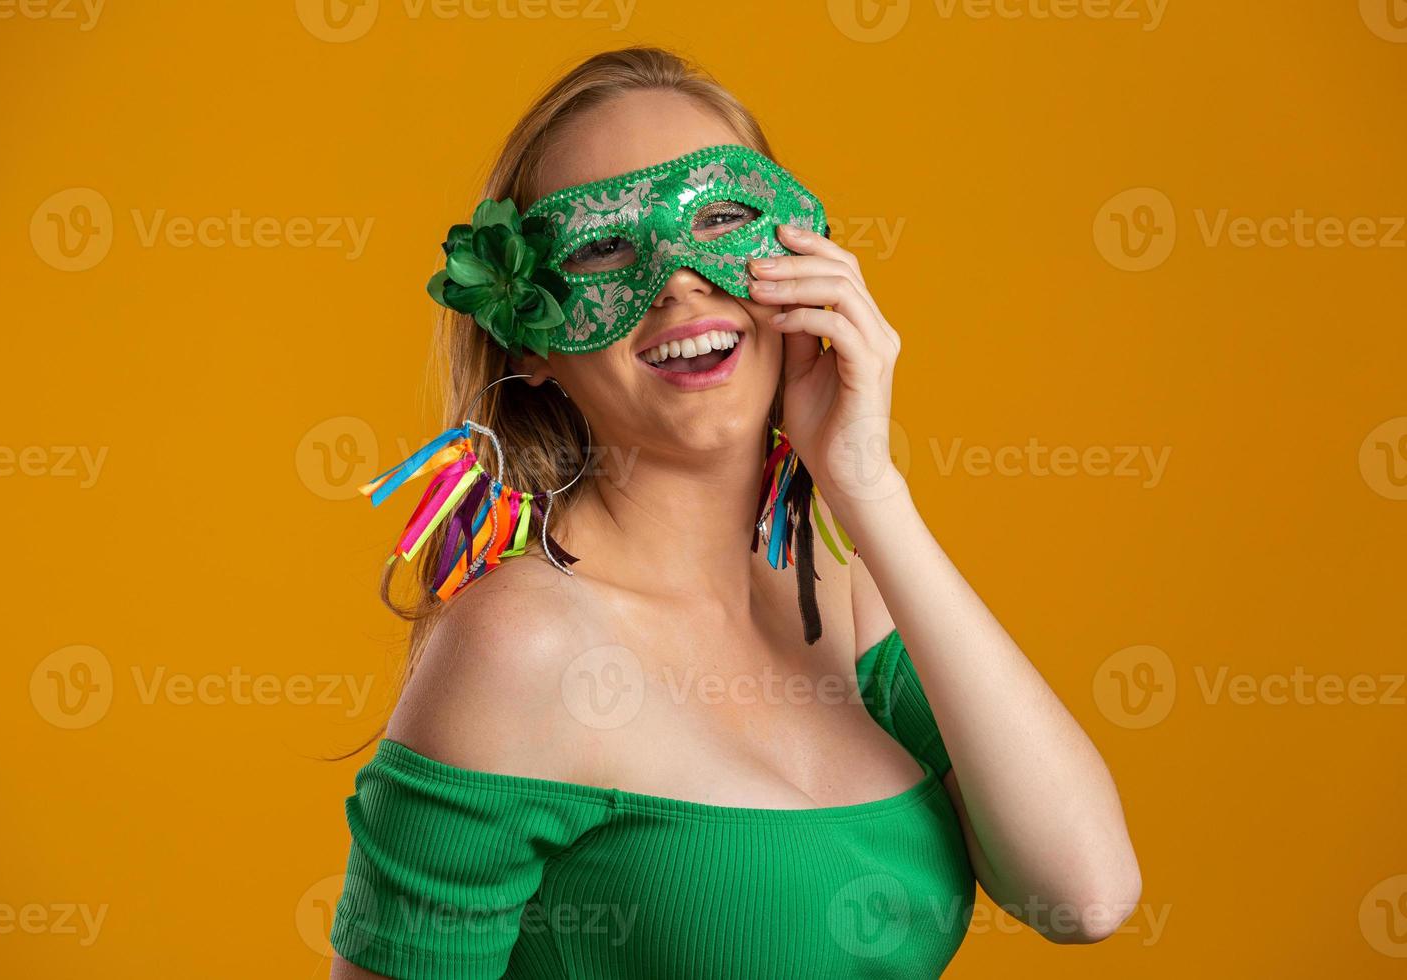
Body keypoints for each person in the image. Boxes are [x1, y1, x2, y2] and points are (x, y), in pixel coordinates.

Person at [329, 45, 1141, 980]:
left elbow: (1084, 893)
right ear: (531, 337)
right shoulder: (521, 645)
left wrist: (867, 486)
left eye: (721, 217)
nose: (677, 280)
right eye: (602, 246)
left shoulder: (839, 587)